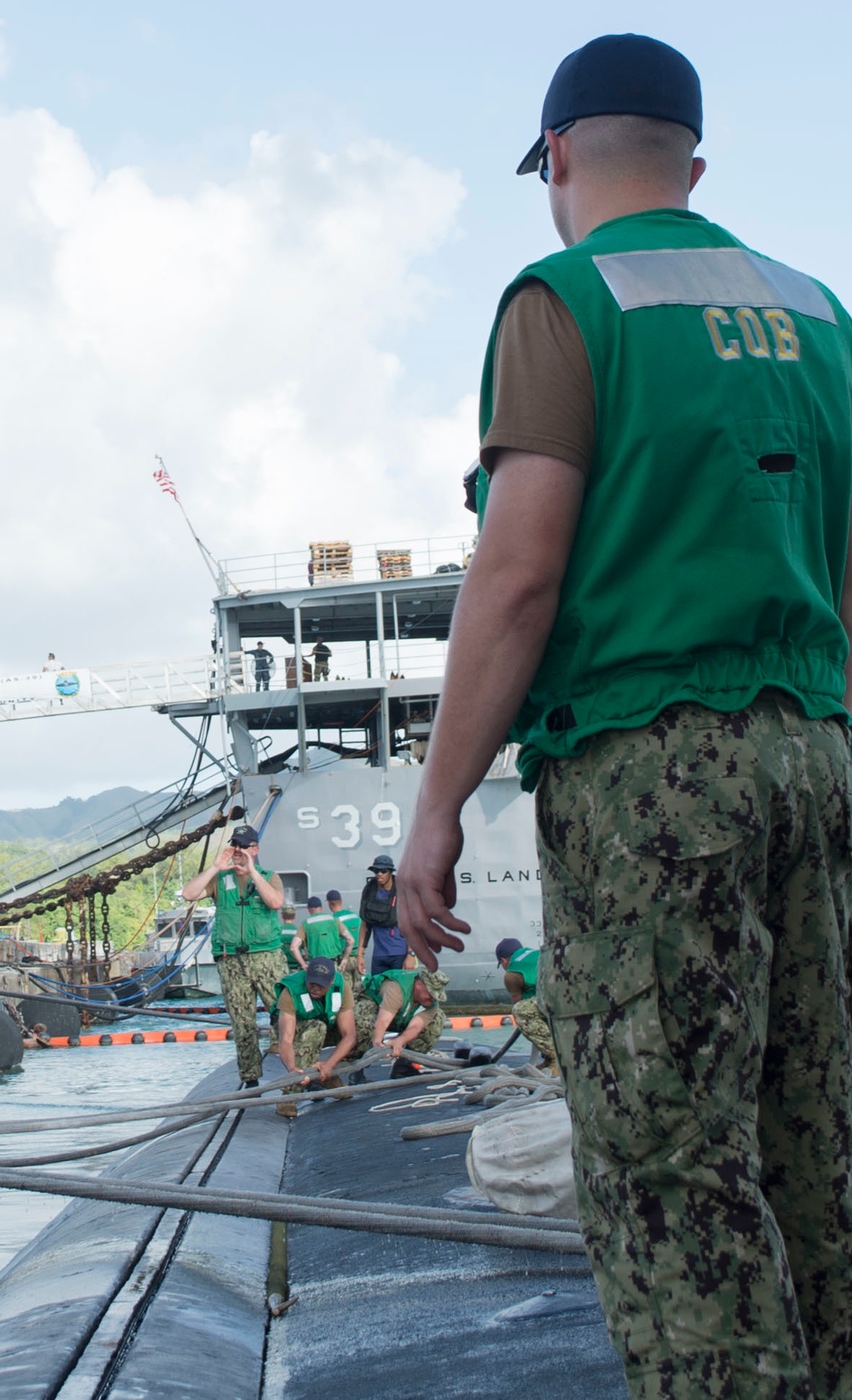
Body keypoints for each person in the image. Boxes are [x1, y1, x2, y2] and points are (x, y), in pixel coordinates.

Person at [395, 32, 852, 1400]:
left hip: (655, 778)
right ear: (695, 164)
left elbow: (521, 569)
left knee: (671, 1168)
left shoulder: (563, 300)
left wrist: (434, 810)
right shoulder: (818, 315)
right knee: (812, 1146)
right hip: (817, 758)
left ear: (557, 157)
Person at [179, 824, 285, 1087]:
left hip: (266, 957)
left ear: (255, 850)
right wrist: (216, 866)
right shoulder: (220, 879)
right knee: (242, 1022)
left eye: (244, 847)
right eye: (235, 846)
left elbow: (275, 902)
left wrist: (252, 873)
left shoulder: (268, 876)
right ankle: (250, 1079)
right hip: (232, 960)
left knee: (283, 1015)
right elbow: (189, 894)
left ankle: (294, 1072)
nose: (238, 851)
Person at [271, 956, 356, 1118]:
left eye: (320, 985)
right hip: (298, 1031)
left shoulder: (341, 987)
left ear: (330, 982)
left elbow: (349, 1035)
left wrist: (329, 1065)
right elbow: (286, 1041)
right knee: (317, 1028)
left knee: (362, 1031)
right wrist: (292, 1069)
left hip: (326, 1025)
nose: (315, 988)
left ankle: (326, 1076)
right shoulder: (291, 991)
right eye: (312, 983)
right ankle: (289, 1095)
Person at [352, 967, 449, 1076]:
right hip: (377, 1009)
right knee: (363, 1022)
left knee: (437, 1019)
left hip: (400, 1016)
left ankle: (403, 1066)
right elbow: (383, 1020)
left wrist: (399, 1041)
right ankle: (356, 1068)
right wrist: (378, 1042)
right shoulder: (397, 988)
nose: (433, 999)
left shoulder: (431, 1002)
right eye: (430, 994)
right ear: (419, 985)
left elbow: (416, 1026)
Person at [494, 937, 556, 1072]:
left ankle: (556, 1057)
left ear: (503, 960)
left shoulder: (511, 974)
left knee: (521, 1011)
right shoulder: (538, 953)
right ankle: (550, 1059)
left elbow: (520, 1003)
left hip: (555, 1000)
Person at [357, 856, 415, 977]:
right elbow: (365, 925)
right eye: (376, 871)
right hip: (379, 955)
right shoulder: (370, 891)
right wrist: (360, 955)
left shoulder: (401, 892)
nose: (379, 874)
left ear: (390, 872)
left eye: (383, 871)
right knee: (378, 992)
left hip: (399, 953)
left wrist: (411, 955)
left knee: (399, 992)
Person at [290, 896, 354, 974]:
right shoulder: (334, 920)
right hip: (333, 964)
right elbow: (350, 940)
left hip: (316, 966)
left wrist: (303, 964)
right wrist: (345, 959)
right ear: (321, 908)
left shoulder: (306, 924)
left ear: (309, 910)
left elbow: (293, 948)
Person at [326, 889, 363, 991]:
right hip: (358, 957)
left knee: (346, 990)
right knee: (360, 988)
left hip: (344, 959)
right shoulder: (355, 916)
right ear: (341, 900)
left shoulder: (332, 920)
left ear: (329, 903)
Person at [280, 903, 301, 972]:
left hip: (281, 968)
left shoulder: (277, 932)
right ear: (295, 916)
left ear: (281, 916)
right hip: (296, 968)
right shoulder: (299, 932)